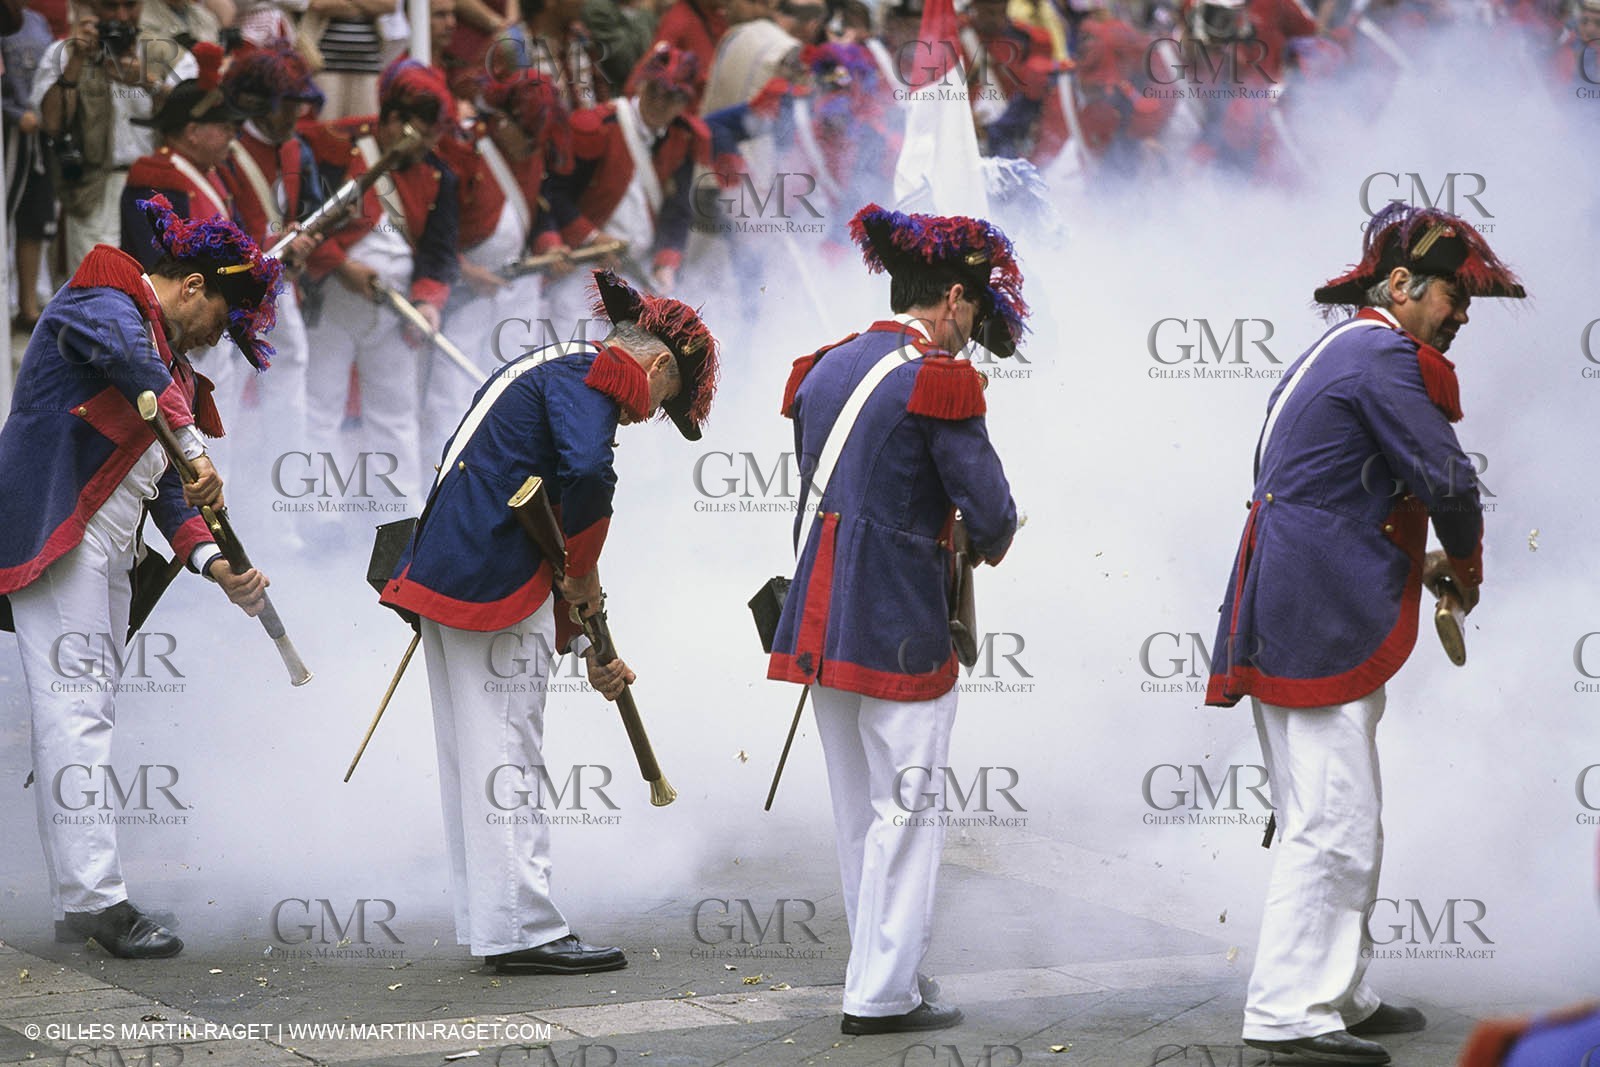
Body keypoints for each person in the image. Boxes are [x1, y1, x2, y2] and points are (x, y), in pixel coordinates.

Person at [1205, 203, 1527, 1066]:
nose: (1462, 313)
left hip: (1303, 585)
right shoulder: (1383, 354)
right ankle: (1286, 1012)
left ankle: (1339, 988)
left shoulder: (1347, 347)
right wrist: (1466, 563)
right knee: (1331, 820)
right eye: (1454, 297)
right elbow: (1445, 479)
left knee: (1346, 813)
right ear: (1399, 286)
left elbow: (1338, 488)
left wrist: (1414, 557)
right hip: (1317, 602)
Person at [377, 269, 719, 974]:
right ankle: (524, 927)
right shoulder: (593, 379)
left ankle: (496, 919)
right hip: (486, 576)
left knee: (479, 757)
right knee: (508, 751)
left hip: (461, 569)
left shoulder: (558, 372)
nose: (648, 415)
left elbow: (550, 516)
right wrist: (586, 573)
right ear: (657, 365)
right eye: (665, 400)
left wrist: (590, 639)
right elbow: (587, 479)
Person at [0, 196, 280, 958]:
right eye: (221, 317)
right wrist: (195, 447)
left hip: (103, 547)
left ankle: (78, 897)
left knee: (80, 716)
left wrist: (218, 565)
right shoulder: (107, 293)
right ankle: (97, 901)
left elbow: (160, 488)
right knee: (76, 716)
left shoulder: (159, 361)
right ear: (190, 285)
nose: (219, 339)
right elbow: (139, 371)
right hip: (66, 540)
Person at [765, 204, 1022, 1036]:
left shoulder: (829, 365)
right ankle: (883, 992)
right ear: (952, 298)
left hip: (820, 618)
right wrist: (985, 537)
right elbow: (990, 513)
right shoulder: (936, 375)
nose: (973, 331)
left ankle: (875, 969)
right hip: (897, 614)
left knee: (858, 814)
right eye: (975, 312)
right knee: (907, 813)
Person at [299, 57, 459, 518]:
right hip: (334, 300)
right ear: (390, 119)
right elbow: (305, 219)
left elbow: (439, 253)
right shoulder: (335, 149)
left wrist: (429, 302)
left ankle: (399, 517)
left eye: (432, 137)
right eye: (418, 133)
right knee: (321, 407)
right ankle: (317, 517)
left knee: (395, 414)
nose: (426, 147)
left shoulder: (436, 175)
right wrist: (340, 265)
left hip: (395, 309)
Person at [32, 0, 198, 274]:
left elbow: (193, 119)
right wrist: (76, 60)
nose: (122, 16)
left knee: (156, 285)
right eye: (111, 7)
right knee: (97, 288)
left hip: (154, 188)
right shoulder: (65, 53)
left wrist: (149, 82)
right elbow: (51, 123)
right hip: (94, 188)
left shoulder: (166, 52)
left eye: (130, 5)